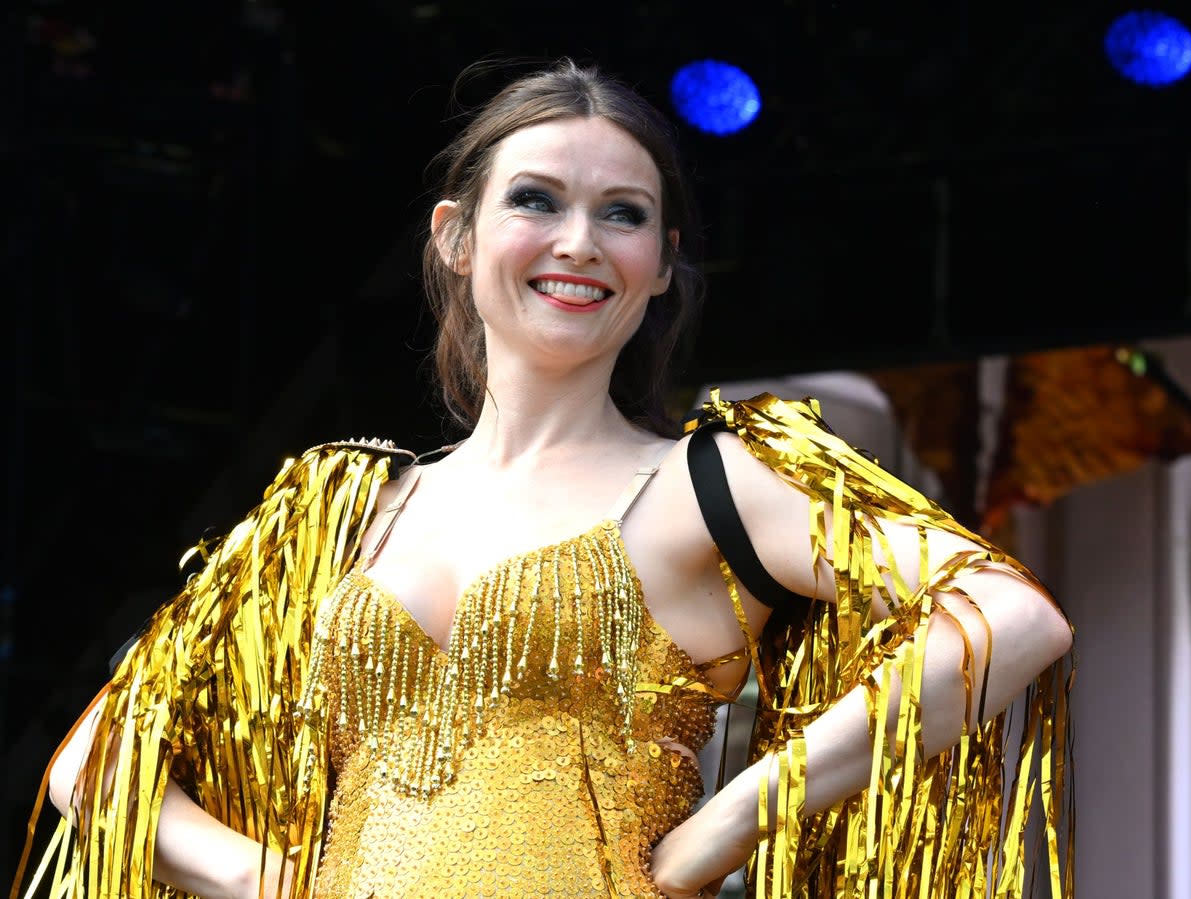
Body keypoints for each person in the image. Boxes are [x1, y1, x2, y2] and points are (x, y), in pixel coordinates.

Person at [13, 58, 1074, 899]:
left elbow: (1010, 617)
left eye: (623, 212)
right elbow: (96, 760)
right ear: (456, 236)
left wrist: (725, 826)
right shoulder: (341, 509)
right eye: (537, 199)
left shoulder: (713, 478)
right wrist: (265, 875)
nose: (579, 240)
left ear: (660, 264)